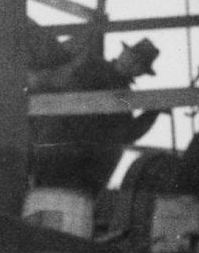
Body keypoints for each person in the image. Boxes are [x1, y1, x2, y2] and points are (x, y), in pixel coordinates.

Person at [29, 35, 162, 195]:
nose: (131, 64)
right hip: (60, 150)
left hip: (82, 162)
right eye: (132, 57)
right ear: (123, 53)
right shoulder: (92, 66)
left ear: (140, 72)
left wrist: (152, 113)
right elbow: (72, 102)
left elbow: (126, 133)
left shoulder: (125, 94)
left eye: (138, 64)